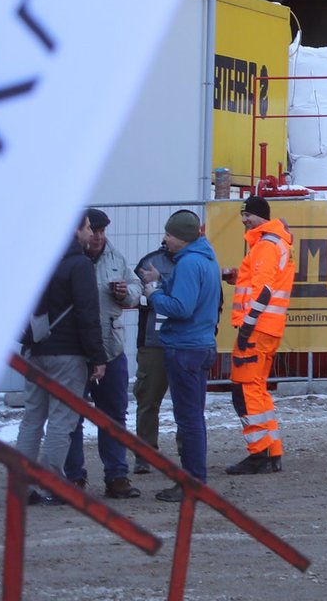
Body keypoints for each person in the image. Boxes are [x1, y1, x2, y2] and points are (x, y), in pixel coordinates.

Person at [16, 217, 108, 506]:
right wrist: (97, 356)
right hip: (68, 354)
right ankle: (50, 484)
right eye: (88, 227)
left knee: (32, 418)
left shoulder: (38, 259)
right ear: (74, 230)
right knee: (61, 421)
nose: (91, 233)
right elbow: (87, 314)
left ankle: (21, 482)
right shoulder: (79, 264)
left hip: (35, 351)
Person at [138, 209, 221, 502]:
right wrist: (163, 280)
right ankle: (195, 480)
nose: (165, 239)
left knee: (188, 420)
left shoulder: (188, 264)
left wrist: (153, 292)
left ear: (183, 239)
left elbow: (181, 308)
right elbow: (194, 298)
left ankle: (192, 483)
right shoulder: (206, 259)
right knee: (194, 418)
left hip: (185, 349)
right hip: (200, 346)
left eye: (169, 234)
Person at [61, 209, 141, 499]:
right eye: (93, 230)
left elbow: (136, 287)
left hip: (111, 349)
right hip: (75, 352)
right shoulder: (69, 260)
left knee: (114, 415)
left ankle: (117, 477)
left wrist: (126, 293)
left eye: (102, 231)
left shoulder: (115, 257)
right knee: (71, 417)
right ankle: (73, 477)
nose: (98, 236)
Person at [226, 196, 293, 475]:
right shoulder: (274, 243)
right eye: (243, 215)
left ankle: (260, 454)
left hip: (256, 329)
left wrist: (247, 328)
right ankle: (271, 452)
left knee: (245, 391)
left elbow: (263, 290)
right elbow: (262, 284)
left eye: (248, 215)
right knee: (256, 389)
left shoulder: (266, 245)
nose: (244, 220)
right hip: (268, 329)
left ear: (261, 216)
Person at [130, 234, 175, 476]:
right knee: (147, 401)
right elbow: (134, 297)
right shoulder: (150, 262)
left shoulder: (196, 261)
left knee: (188, 405)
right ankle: (145, 454)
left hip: (186, 344)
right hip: (153, 342)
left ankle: (189, 455)